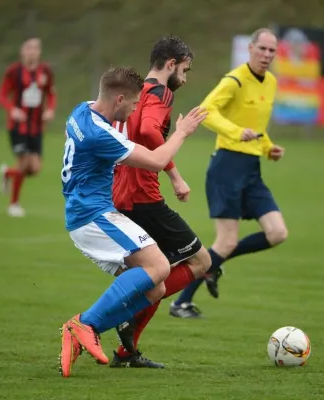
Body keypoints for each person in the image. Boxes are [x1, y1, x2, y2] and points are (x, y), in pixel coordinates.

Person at [58, 66, 207, 378]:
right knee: (159, 267)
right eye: (135, 103)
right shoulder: (101, 135)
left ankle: (83, 335)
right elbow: (154, 160)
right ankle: (84, 324)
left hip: (86, 214)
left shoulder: (82, 110)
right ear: (120, 99)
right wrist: (181, 132)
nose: (137, 108)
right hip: (93, 215)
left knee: (154, 289)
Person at [170, 28, 287, 318]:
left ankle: (214, 263)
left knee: (277, 233)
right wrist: (237, 133)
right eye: (262, 49)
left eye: (272, 51)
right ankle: (180, 302)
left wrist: (268, 147)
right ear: (250, 48)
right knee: (226, 241)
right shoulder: (234, 80)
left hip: (251, 169)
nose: (267, 55)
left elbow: (257, 125)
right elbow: (206, 110)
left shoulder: (270, 82)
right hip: (226, 167)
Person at [109, 36, 212, 368]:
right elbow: (152, 131)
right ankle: (129, 310)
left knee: (156, 270)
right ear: (172, 64)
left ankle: (127, 353)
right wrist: (174, 174)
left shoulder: (136, 93)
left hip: (122, 194)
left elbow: (131, 130)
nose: (185, 76)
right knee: (200, 262)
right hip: (143, 197)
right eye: (186, 69)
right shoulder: (160, 92)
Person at [0, 37, 56, 217]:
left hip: (36, 127)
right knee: (23, 164)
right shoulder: (14, 72)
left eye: (35, 48)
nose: (32, 51)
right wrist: (12, 110)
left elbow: (51, 94)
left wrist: (50, 110)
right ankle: (13, 204)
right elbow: (1, 96)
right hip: (18, 127)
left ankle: (7, 172)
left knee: (35, 168)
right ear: (23, 51)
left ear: (39, 52)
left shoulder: (45, 71)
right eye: (28, 48)